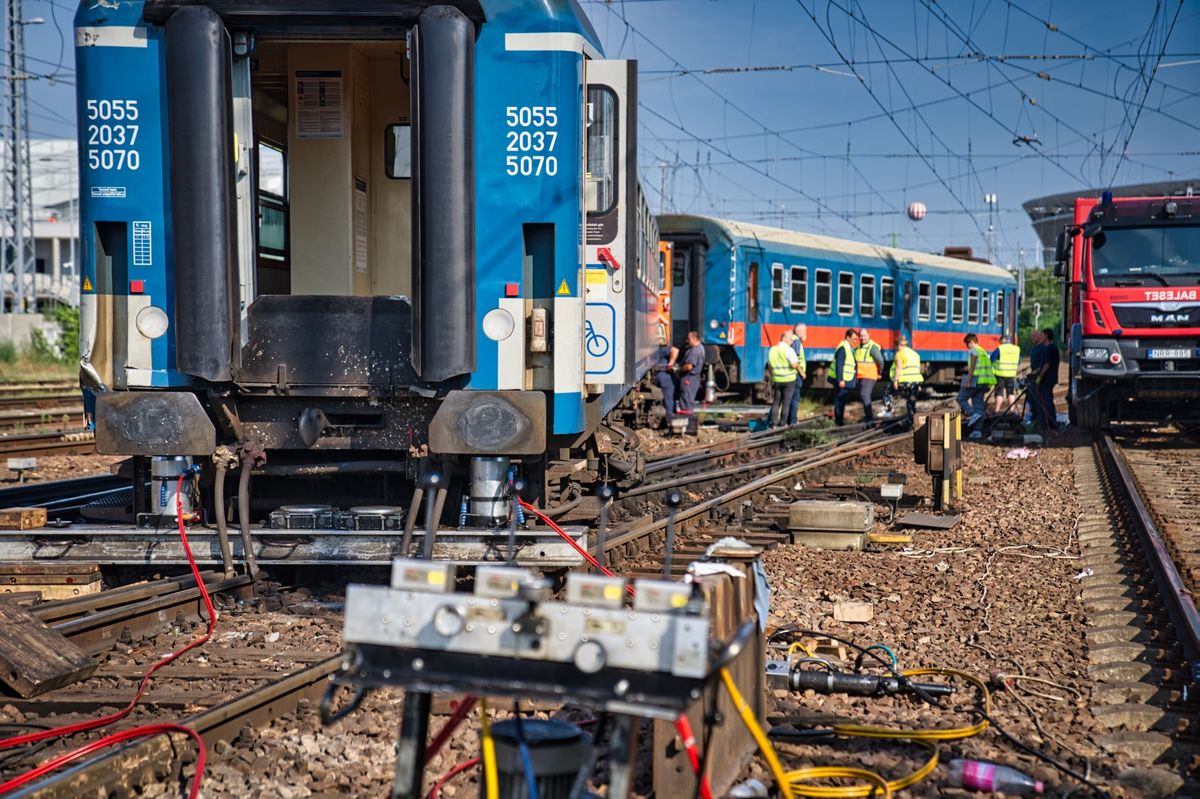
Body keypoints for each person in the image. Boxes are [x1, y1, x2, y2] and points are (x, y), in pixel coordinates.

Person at [956, 333, 996, 435]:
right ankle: (977, 431)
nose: (967, 347)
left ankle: (972, 413)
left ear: (972, 342)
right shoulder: (983, 351)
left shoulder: (974, 350)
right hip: (984, 382)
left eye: (967, 344)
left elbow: (972, 367)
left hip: (976, 380)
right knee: (978, 405)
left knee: (960, 398)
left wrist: (968, 381)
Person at [766, 330, 800, 428]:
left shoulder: (772, 349)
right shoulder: (789, 350)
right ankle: (783, 424)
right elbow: (794, 364)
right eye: (790, 339)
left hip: (777, 379)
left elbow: (769, 365)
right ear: (784, 338)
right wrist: (799, 366)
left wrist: (773, 375)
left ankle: (774, 424)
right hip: (789, 380)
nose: (792, 341)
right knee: (786, 403)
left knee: (776, 402)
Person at [888, 334, 923, 421]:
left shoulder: (899, 354)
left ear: (897, 345)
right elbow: (918, 368)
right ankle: (913, 421)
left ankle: (889, 410)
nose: (898, 347)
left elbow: (898, 367)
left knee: (887, 391)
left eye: (899, 345)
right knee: (911, 402)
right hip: (916, 382)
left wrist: (895, 380)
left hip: (906, 382)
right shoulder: (915, 354)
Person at [854, 328, 884, 423]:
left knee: (864, 395)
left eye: (864, 335)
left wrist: (880, 372)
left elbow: (880, 361)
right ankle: (868, 417)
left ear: (868, 335)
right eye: (861, 336)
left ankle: (869, 418)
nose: (863, 338)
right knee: (863, 395)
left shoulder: (872, 347)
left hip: (869, 375)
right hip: (861, 375)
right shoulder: (859, 347)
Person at [832, 328, 860, 426]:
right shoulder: (843, 348)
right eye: (854, 339)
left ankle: (840, 420)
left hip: (847, 380)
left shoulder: (848, 347)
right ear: (848, 337)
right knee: (840, 400)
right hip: (843, 380)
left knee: (842, 401)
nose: (855, 341)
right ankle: (838, 422)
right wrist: (840, 380)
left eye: (856, 339)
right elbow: (839, 365)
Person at [1036, 327, 1060, 429]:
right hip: (1050, 378)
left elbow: (1047, 365)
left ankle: (1049, 424)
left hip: (1047, 379)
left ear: (1046, 336)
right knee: (1047, 400)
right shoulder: (1052, 348)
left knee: (1046, 401)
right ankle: (1049, 422)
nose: (1040, 337)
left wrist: (1039, 378)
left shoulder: (1049, 348)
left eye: (1041, 335)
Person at [991, 334, 1021, 415]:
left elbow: (992, 359)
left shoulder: (1000, 348)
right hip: (1011, 374)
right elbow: (1019, 361)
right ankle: (1012, 410)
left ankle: (996, 410)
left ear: (1002, 341)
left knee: (999, 393)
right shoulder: (1016, 349)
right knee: (1010, 393)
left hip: (1000, 374)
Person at [653, 339, 680, 426]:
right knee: (669, 395)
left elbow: (674, 350)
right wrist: (671, 362)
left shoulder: (657, 349)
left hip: (660, 373)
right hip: (663, 374)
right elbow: (675, 350)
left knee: (668, 396)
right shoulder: (660, 348)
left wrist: (671, 362)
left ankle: (669, 417)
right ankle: (670, 417)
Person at [677, 330, 705, 414]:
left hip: (689, 379)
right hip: (694, 379)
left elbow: (689, 366)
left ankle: (688, 419)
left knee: (686, 400)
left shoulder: (695, 351)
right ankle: (689, 419)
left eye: (689, 339)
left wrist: (679, 370)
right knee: (688, 399)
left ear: (694, 338)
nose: (687, 341)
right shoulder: (700, 347)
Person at [787, 323, 808, 425]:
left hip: (793, 374)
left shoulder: (794, 340)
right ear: (800, 331)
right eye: (804, 331)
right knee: (795, 398)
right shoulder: (796, 341)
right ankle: (793, 421)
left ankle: (790, 420)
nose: (805, 333)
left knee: (791, 398)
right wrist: (802, 372)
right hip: (796, 374)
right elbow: (794, 359)